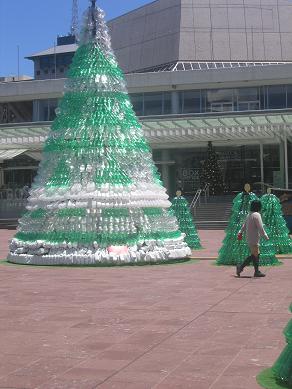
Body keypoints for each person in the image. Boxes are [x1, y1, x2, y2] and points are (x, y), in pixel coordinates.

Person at [236, 200, 269, 278]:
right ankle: (240, 267)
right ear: (258, 206)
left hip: (249, 237)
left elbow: (244, 225)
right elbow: (260, 227)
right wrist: (265, 236)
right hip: (254, 238)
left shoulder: (249, 214)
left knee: (256, 254)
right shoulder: (257, 215)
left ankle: (256, 271)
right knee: (255, 254)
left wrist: (240, 232)